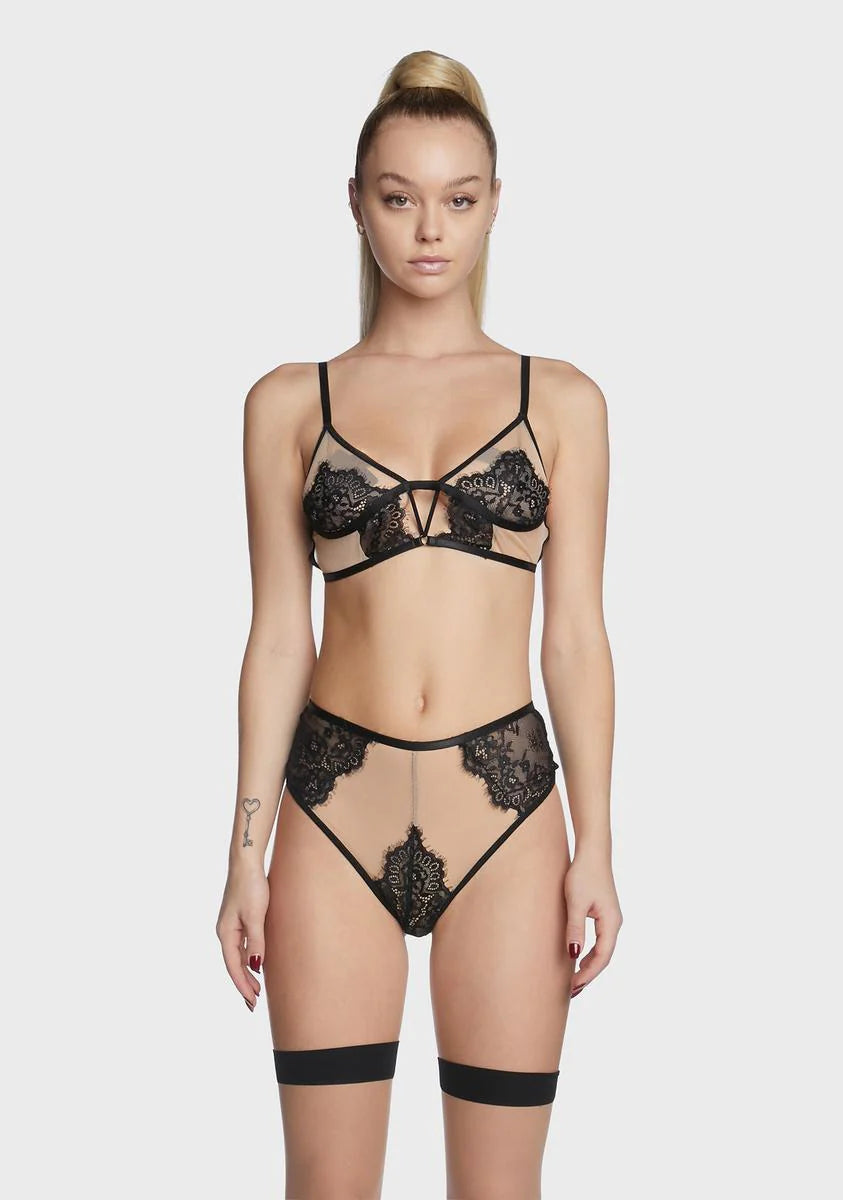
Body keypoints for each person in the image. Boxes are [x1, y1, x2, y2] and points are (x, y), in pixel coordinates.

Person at [216, 48, 623, 1199]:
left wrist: (598, 844)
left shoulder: (564, 400)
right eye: (400, 199)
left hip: (507, 812)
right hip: (331, 806)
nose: (430, 230)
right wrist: (243, 856)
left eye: (458, 199)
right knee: (325, 1189)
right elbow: (278, 639)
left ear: (495, 205)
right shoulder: (288, 403)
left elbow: (575, 639)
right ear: (357, 203)